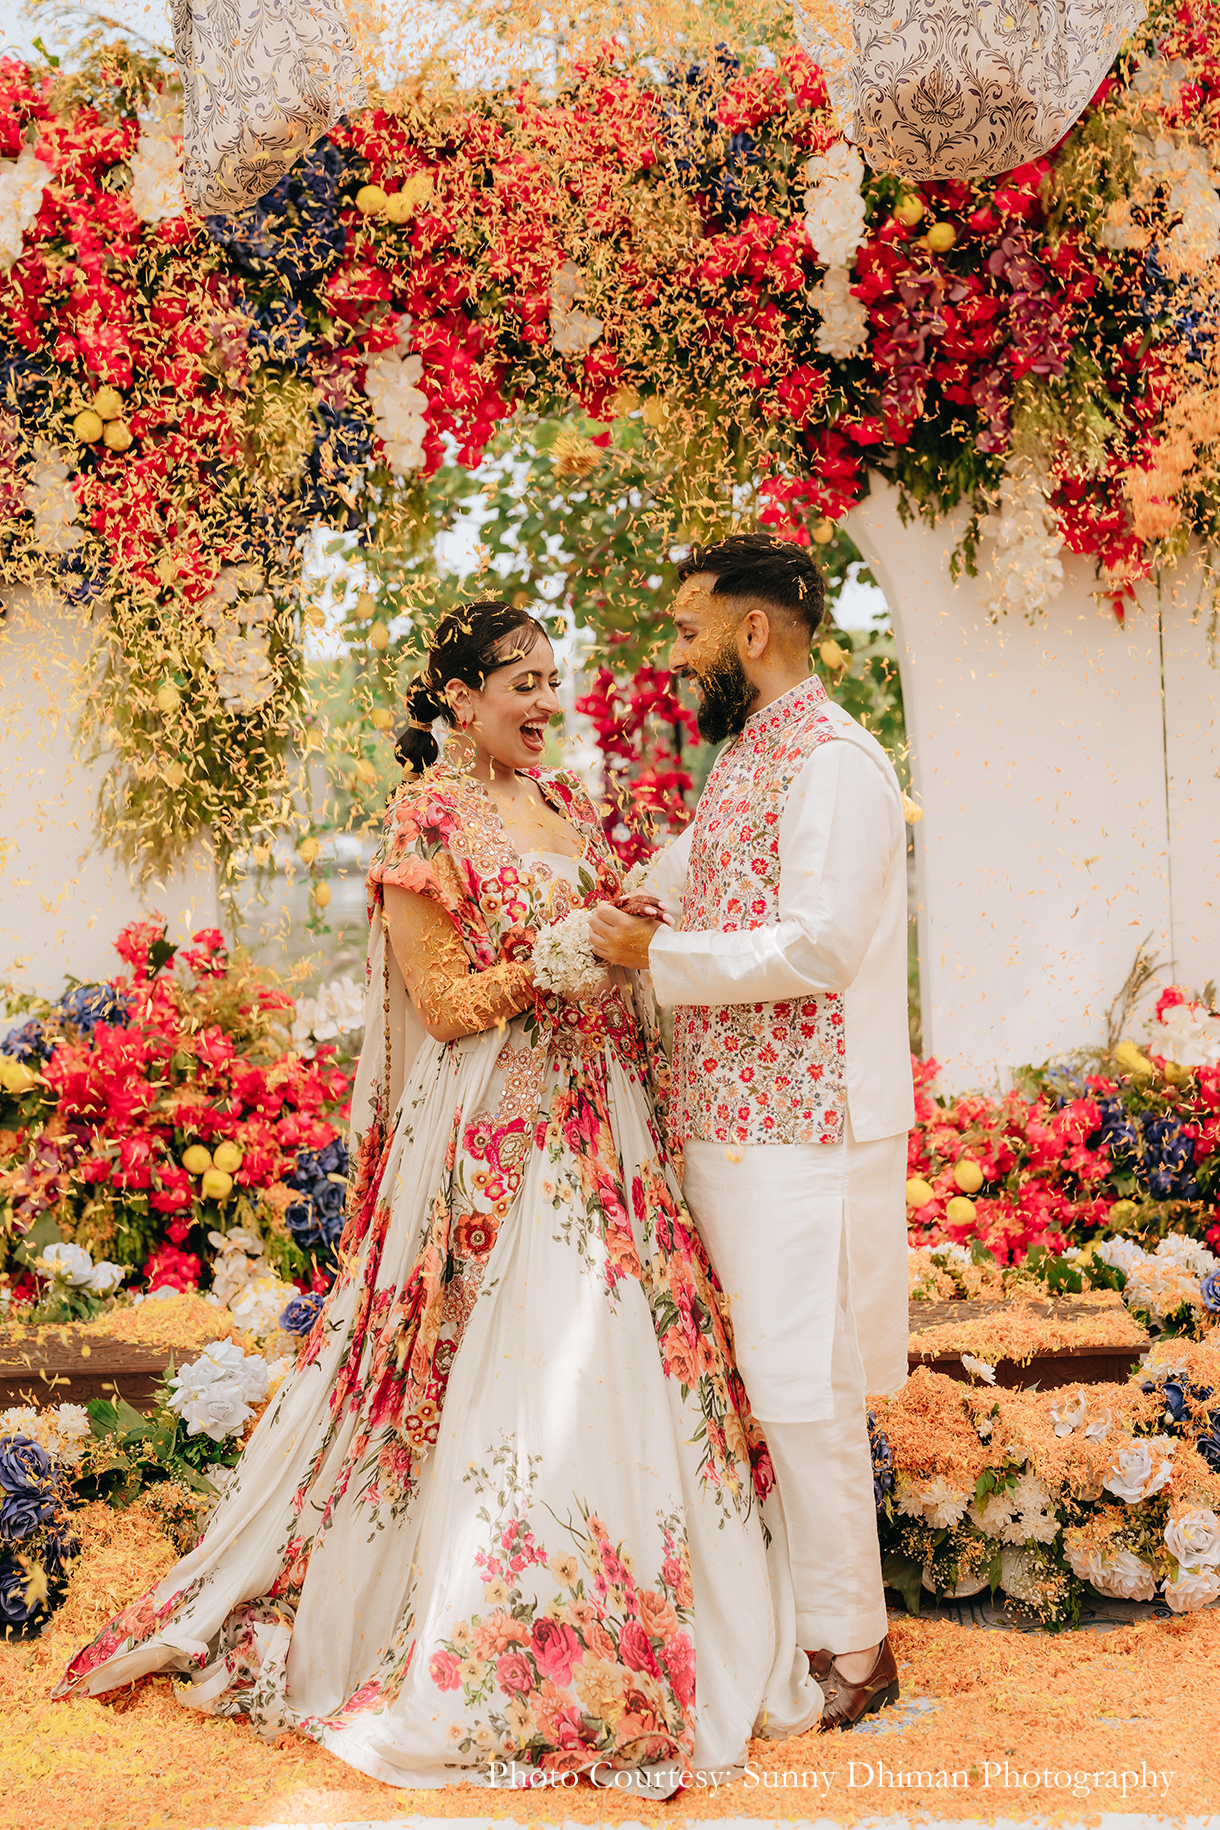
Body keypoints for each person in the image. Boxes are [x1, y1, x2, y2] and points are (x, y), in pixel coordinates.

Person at [55, 599, 821, 1786]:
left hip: (605, 1130)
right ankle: (490, 1635)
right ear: (458, 698)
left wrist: (628, 930)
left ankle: (658, 1632)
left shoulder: (572, 808)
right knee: (510, 1365)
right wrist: (559, 956)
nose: (544, 702)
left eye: (553, 681)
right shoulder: (425, 819)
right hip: (494, 1137)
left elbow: (621, 950)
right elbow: (443, 1005)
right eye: (520, 682)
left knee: (631, 1354)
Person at [588, 534, 915, 1730]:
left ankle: (853, 1650)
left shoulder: (834, 762)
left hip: (804, 1130)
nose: (674, 653)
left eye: (686, 628)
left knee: (803, 1392)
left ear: (752, 629)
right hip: (730, 1122)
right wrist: (631, 896)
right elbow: (699, 870)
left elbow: (821, 943)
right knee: (757, 1388)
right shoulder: (748, 760)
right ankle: (791, 1620)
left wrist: (653, 953)